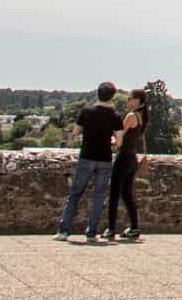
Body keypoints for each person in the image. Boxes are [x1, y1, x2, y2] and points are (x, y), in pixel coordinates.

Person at [55, 81, 122, 242]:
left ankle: (63, 231)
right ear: (112, 96)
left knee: (75, 194)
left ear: (97, 93)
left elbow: (75, 132)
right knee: (98, 197)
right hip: (105, 159)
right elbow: (119, 141)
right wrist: (110, 140)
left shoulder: (86, 111)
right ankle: (91, 233)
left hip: (86, 156)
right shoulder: (115, 116)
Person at [106, 88, 148, 240]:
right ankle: (134, 228)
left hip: (123, 157)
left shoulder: (131, 116)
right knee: (128, 195)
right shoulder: (142, 116)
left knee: (114, 195)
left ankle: (110, 229)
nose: (128, 101)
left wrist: (109, 141)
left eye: (130, 98)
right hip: (132, 159)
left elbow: (119, 138)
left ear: (137, 100)